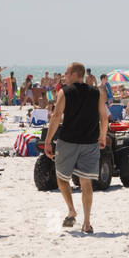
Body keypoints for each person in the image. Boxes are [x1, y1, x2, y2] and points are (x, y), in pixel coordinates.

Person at [43, 62, 109, 234]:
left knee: (61, 177)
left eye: (66, 72)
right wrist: (102, 136)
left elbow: (57, 116)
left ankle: (71, 209)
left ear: (74, 74)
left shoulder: (64, 92)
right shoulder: (97, 93)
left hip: (68, 142)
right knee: (86, 183)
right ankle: (87, 223)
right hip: (90, 142)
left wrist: (48, 140)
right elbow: (104, 117)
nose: (64, 75)